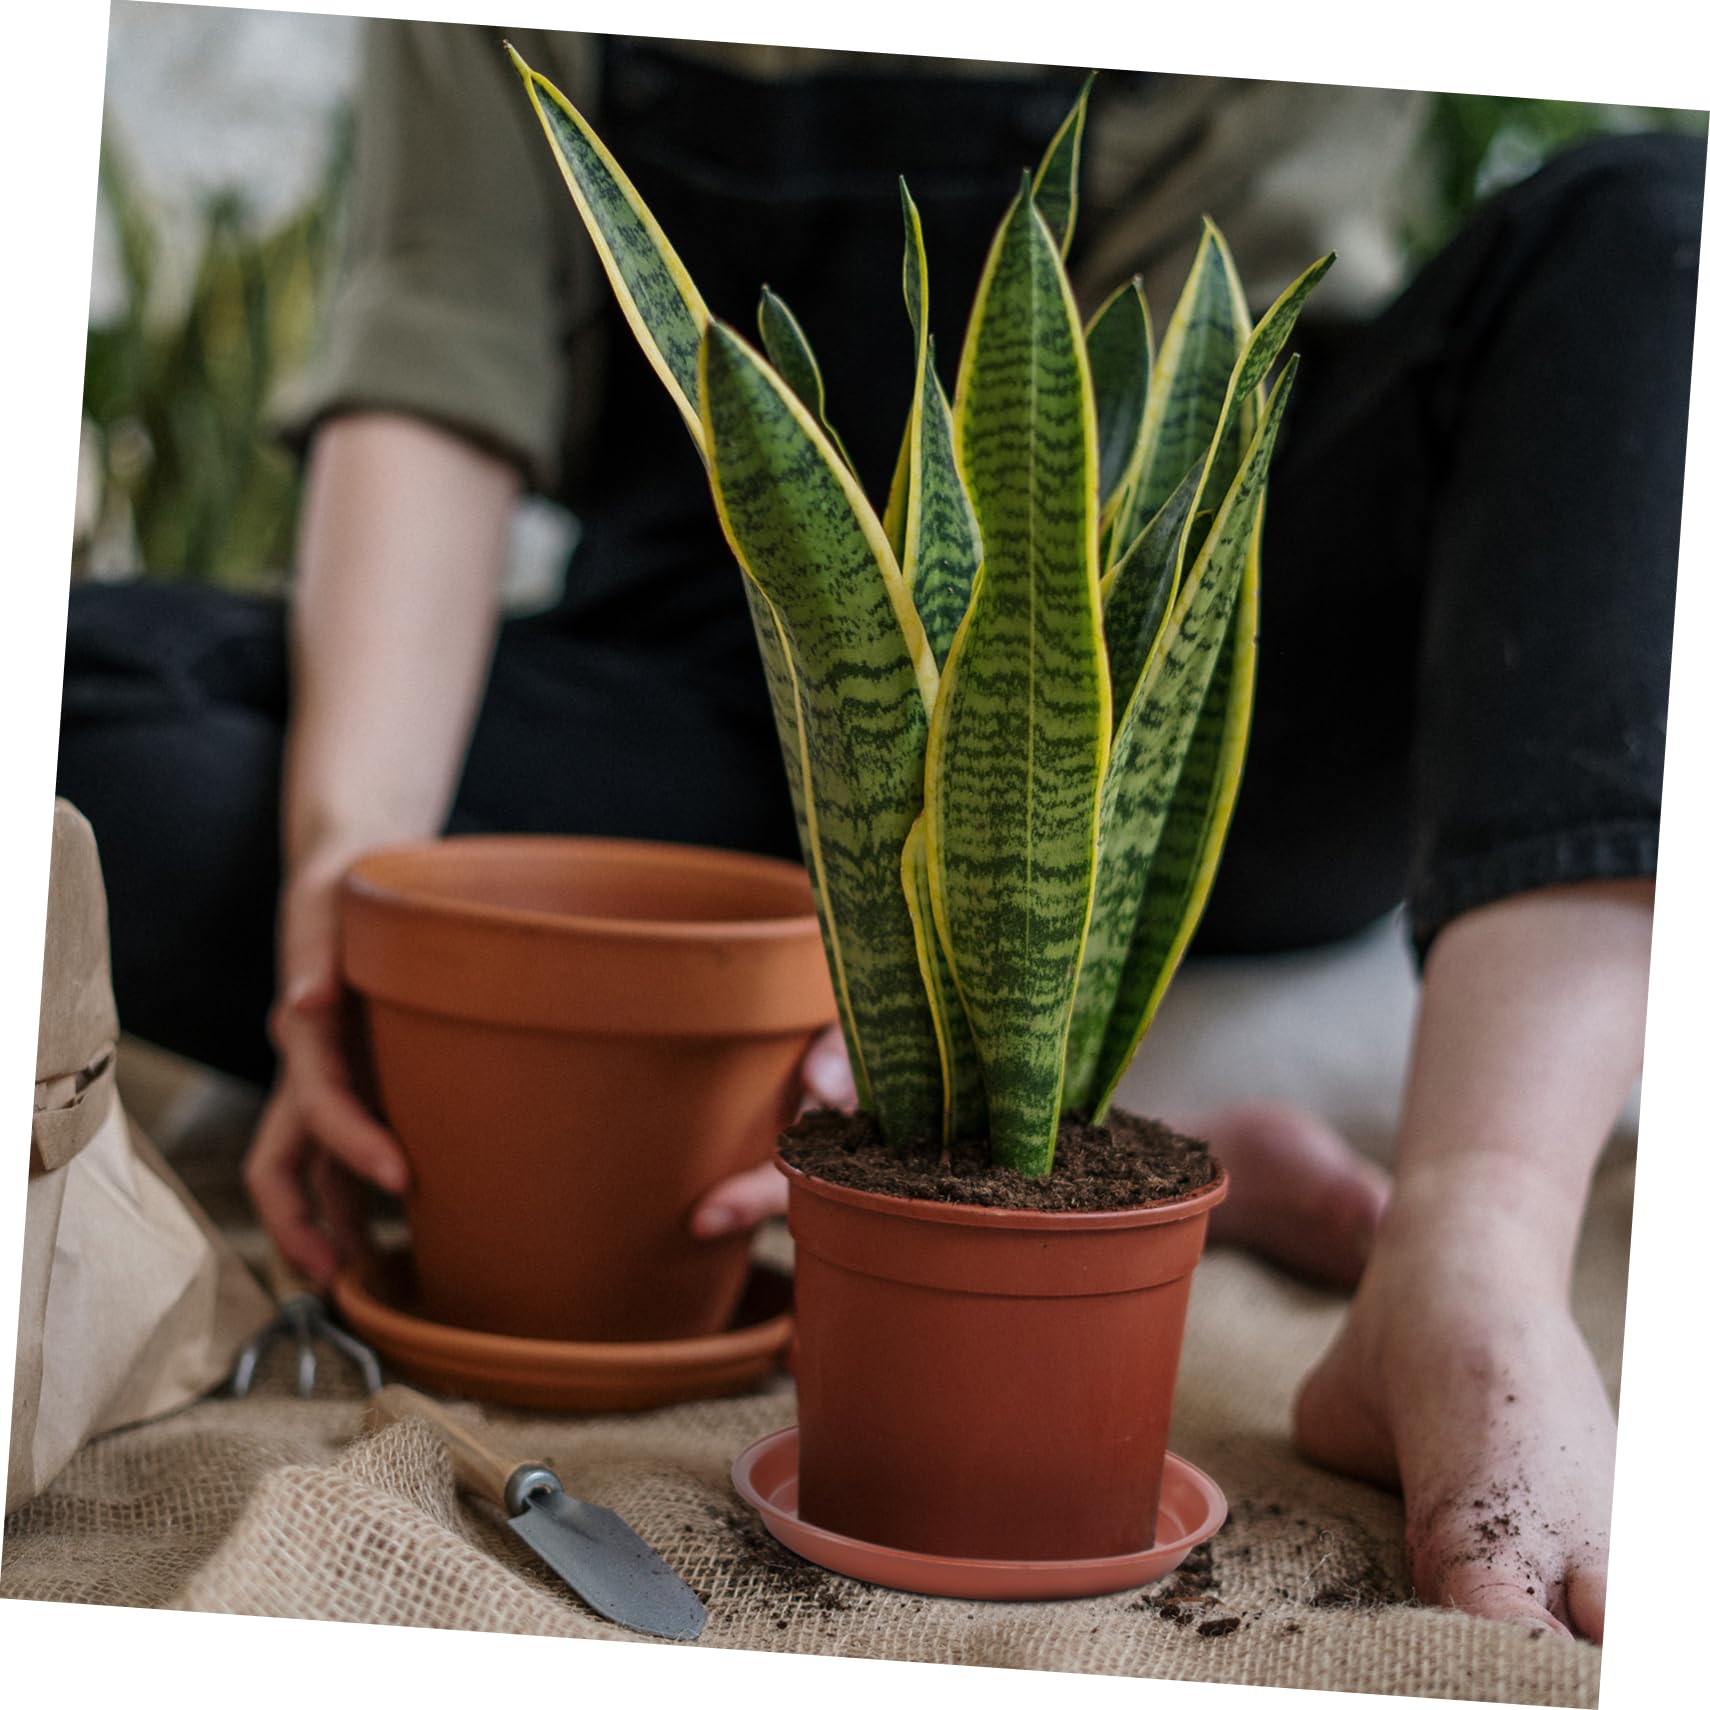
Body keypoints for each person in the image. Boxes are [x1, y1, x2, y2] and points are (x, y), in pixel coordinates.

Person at [55, 23, 1700, 1645]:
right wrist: (344, 911)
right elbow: (436, 371)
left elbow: (1191, 391)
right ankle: (1100, 1127)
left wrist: (969, 895)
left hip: (1149, 725)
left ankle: (1466, 1238)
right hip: (706, 699)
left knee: (1651, 223)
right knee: (80, 698)